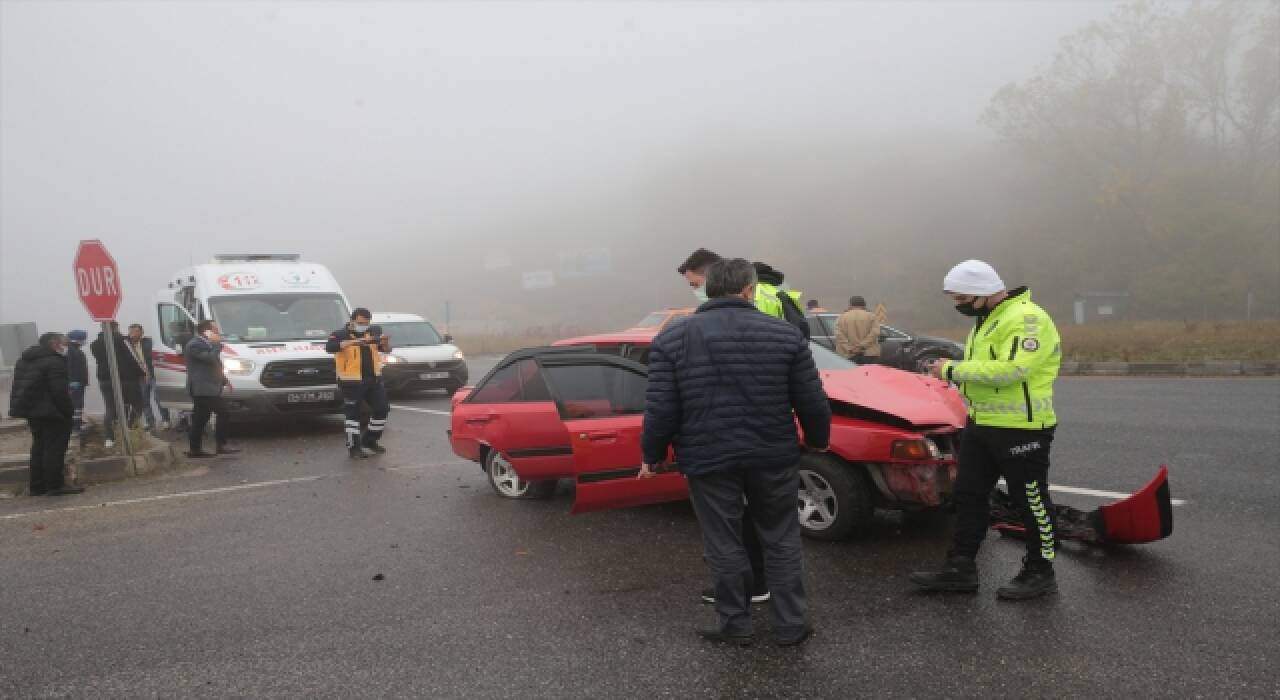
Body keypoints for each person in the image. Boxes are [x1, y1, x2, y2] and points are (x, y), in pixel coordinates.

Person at [642, 258, 831, 647]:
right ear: (749, 290)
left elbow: (661, 408)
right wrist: (818, 438)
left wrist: (652, 455)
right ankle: (791, 624)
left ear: (706, 289)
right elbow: (812, 400)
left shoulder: (672, 338)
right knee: (780, 537)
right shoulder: (784, 335)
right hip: (772, 453)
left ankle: (735, 623)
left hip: (707, 457)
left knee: (723, 540)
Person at [910, 259, 1063, 600]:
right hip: (981, 423)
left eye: (961, 297)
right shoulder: (987, 320)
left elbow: (1013, 369)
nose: (957, 305)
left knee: (1032, 501)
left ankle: (1041, 571)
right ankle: (960, 568)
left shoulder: (1027, 319)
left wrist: (952, 370)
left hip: (1022, 429)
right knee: (968, 496)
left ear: (981, 293)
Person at [7, 333, 84, 496]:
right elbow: (59, 391)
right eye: (64, 343)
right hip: (53, 412)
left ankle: (37, 486)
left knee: (39, 447)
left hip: (32, 411)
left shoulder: (24, 360)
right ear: (54, 343)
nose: (65, 347)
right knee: (54, 448)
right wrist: (68, 410)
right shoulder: (55, 361)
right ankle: (55, 485)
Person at [326, 308, 392, 459]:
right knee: (353, 414)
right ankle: (354, 448)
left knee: (382, 409)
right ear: (352, 321)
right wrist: (356, 341)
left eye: (366, 323)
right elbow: (329, 348)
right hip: (351, 381)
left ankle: (370, 441)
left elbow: (386, 350)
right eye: (360, 323)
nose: (364, 326)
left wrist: (386, 343)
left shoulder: (374, 331)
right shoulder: (340, 333)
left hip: (374, 378)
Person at [184, 320, 239, 458]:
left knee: (200, 418)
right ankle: (221, 445)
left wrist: (225, 380)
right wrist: (216, 344)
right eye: (215, 329)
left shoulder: (205, 344)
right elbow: (209, 358)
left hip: (208, 388)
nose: (218, 332)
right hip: (202, 388)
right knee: (223, 412)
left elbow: (214, 365)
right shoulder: (194, 344)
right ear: (206, 332)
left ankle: (195, 449)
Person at [90, 321, 145, 448]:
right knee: (138, 403)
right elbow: (133, 358)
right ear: (115, 328)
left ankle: (109, 438)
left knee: (110, 408)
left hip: (105, 379)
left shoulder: (95, 344)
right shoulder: (122, 340)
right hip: (126, 378)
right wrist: (141, 373)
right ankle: (131, 428)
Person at [127, 323, 171, 432]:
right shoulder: (128, 345)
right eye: (131, 332)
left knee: (158, 398)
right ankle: (150, 422)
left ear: (141, 333)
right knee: (144, 400)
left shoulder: (148, 342)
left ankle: (166, 420)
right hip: (140, 376)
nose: (133, 334)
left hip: (152, 374)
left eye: (136, 332)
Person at [835, 296, 881, 363]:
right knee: (868, 373)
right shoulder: (871, 316)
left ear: (850, 304)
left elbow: (839, 334)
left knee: (851, 373)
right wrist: (861, 346)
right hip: (869, 354)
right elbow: (875, 333)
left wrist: (849, 348)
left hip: (848, 354)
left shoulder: (842, 317)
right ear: (864, 304)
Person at [65, 329, 90, 446]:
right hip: (75, 384)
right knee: (76, 406)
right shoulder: (72, 352)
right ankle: (75, 427)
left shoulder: (74, 351)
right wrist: (72, 382)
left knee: (78, 406)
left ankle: (76, 425)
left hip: (78, 383)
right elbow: (71, 368)